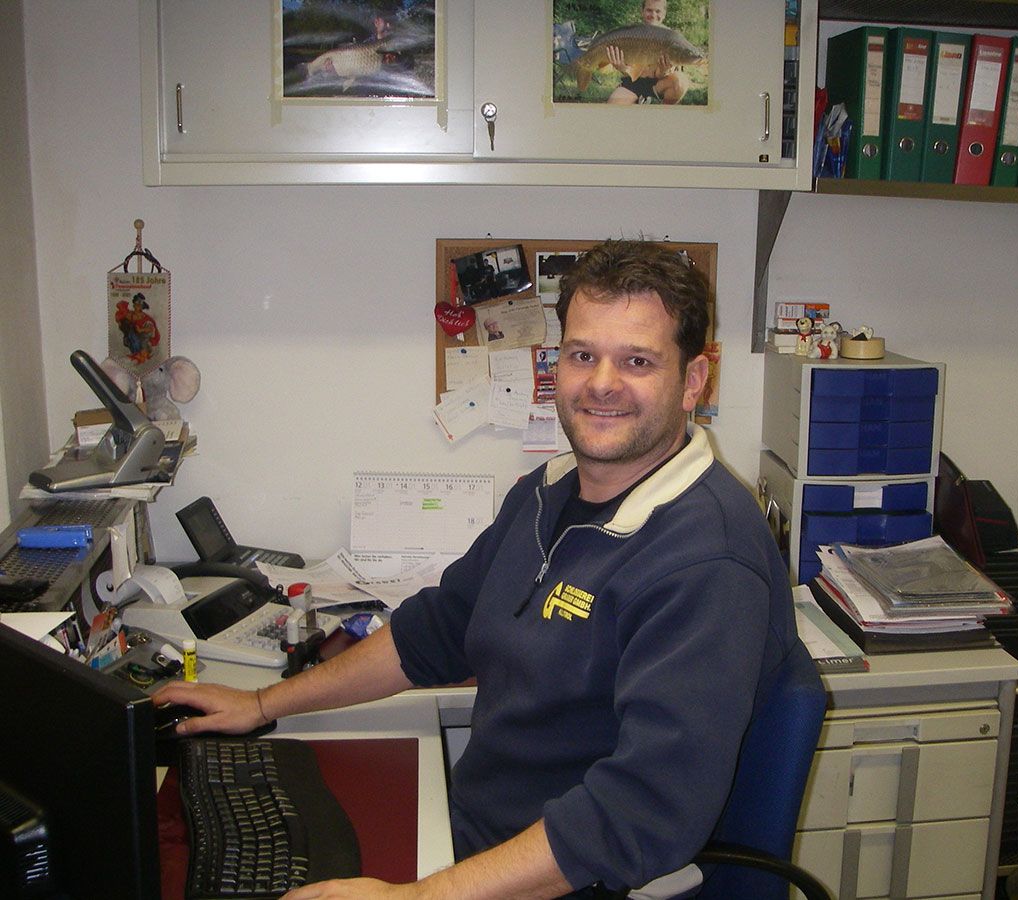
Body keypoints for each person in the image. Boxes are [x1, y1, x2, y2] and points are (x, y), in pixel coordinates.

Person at [155, 239, 802, 899]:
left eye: (637, 360)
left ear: (693, 381)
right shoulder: (548, 492)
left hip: (575, 881)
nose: (602, 383)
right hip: (475, 841)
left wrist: (414, 898)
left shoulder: (708, 558)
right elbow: (435, 631)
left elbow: (641, 812)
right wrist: (262, 704)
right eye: (582, 355)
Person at [606, 0, 690, 105]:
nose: (653, 15)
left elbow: (668, 73)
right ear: (642, 12)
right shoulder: (632, 33)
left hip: (660, 83)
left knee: (681, 82)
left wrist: (663, 71)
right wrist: (622, 68)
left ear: (664, 14)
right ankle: (641, 100)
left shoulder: (672, 38)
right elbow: (631, 73)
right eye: (649, 10)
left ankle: (662, 112)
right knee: (613, 107)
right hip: (633, 82)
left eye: (658, 11)